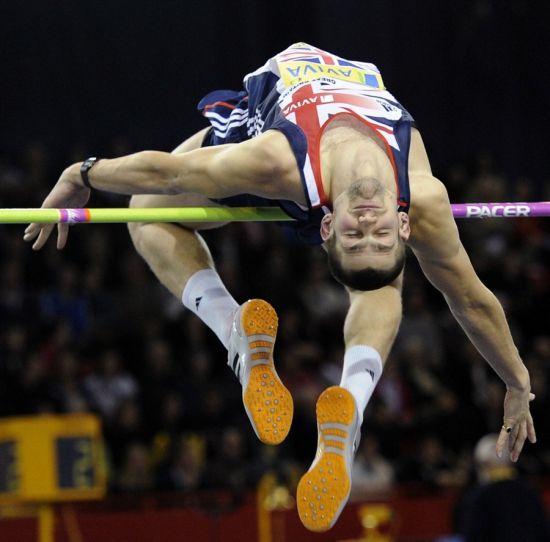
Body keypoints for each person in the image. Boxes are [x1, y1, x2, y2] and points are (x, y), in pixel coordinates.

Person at [23, 43, 536, 532]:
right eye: (373, 231)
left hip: (293, 135)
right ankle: (308, 380)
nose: (367, 220)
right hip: (302, 134)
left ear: (332, 227)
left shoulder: (281, 163)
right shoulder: (416, 196)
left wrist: (518, 385)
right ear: (392, 224)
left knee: (148, 218)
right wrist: (83, 173)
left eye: (362, 233)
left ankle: (289, 369)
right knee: (378, 272)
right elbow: (171, 173)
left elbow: (471, 298)